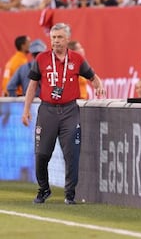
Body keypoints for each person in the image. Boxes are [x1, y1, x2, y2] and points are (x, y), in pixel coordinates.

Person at [22, 23, 105, 205]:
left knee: (72, 154)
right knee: (42, 153)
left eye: (60, 37)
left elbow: (92, 76)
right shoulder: (42, 59)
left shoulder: (77, 59)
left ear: (67, 39)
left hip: (69, 111)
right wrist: (26, 109)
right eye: (53, 38)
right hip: (47, 110)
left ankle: (70, 194)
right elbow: (32, 85)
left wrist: (99, 85)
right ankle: (44, 189)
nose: (56, 41)